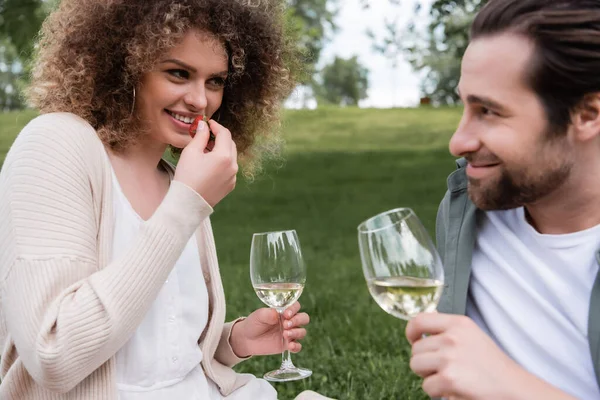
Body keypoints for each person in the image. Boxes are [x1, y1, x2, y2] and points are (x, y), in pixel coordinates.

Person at [0, 0, 332, 399]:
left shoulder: (175, 178)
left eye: (215, 81)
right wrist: (186, 204)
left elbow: (159, 349)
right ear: (126, 64)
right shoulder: (55, 145)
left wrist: (234, 341)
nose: (199, 100)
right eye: (179, 73)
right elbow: (54, 353)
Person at [405, 0, 600, 399]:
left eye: (489, 110)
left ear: (588, 114)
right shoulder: (466, 207)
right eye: (464, 105)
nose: (458, 141)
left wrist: (508, 384)